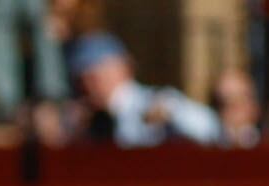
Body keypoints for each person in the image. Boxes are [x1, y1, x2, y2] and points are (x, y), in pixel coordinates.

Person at [64, 30, 218, 144]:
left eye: (96, 77)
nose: (89, 86)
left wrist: (172, 114)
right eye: (82, 79)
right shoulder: (80, 116)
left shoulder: (157, 101)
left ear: (124, 68)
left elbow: (210, 127)